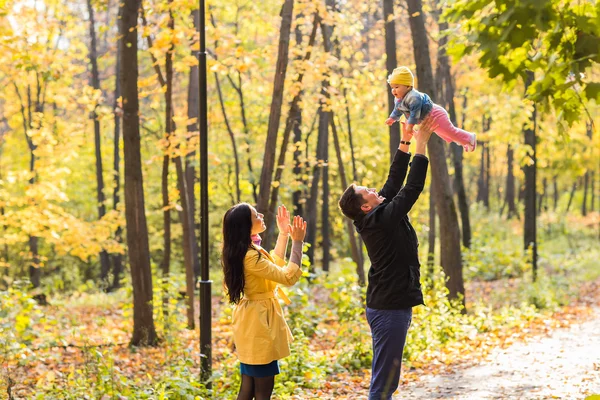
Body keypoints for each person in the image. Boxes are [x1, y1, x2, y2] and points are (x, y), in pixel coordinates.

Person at [338, 118, 437, 400]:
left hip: (390, 305)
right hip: (389, 309)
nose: (374, 190)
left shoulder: (375, 214)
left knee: (386, 380)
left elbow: (393, 182)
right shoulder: (380, 220)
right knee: (384, 383)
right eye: (367, 191)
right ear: (365, 206)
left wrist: (405, 141)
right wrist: (422, 145)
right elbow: (410, 189)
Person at [221, 203, 307, 400]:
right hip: (259, 324)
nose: (261, 215)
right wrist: (298, 242)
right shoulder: (250, 256)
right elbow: (287, 277)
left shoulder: (246, 250)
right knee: (262, 391)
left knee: (249, 387)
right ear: (246, 226)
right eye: (255, 215)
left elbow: (273, 266)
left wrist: (284, 233)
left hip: (252, 321)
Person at [384, 66, 476, 152]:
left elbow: (414, 113)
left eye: (396, 87)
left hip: (435, 114)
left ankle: (470, 138)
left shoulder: (413, 97)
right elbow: (398, 109)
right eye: (392, 88)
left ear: (408, 86)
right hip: (426, 119)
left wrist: (410, 125)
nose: (393, 90)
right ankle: (464, 141)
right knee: (444, 134)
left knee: (450, 131)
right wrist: (392, 118)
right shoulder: (398, 99)